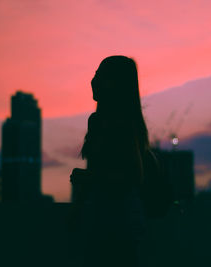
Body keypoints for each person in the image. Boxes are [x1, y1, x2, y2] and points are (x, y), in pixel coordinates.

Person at [70, 55, 151, 267]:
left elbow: (134, 176)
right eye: (95, 75)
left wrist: (88, 177)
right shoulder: (97, 122)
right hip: (101, 219)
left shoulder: (123, 125)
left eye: (101, 76)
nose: (94, 81)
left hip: (120, 221)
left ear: (116, 85)